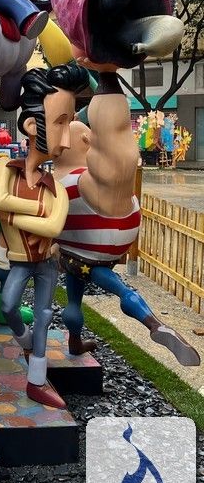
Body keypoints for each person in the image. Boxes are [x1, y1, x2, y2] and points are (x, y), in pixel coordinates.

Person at [51, 67, 200, 367]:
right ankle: (152, 323)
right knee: (117, 287)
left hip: (77, 252)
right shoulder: (79, 178)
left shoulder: (61, 181)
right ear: (87, 143)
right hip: (104, 246)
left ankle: (76, 340)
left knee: (74, 297)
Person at [0, 63, 90, 408]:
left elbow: (53, 228)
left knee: (45, 314)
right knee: (8, 306)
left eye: (69, 123)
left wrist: (12, 216)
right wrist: (36, 210)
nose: (67, 138)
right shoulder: (5, 167)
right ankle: (26, 342)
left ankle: (37, 382)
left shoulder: (56, 189)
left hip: (46, 262)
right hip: (20, 261)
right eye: (60, 122)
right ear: (32, 125)